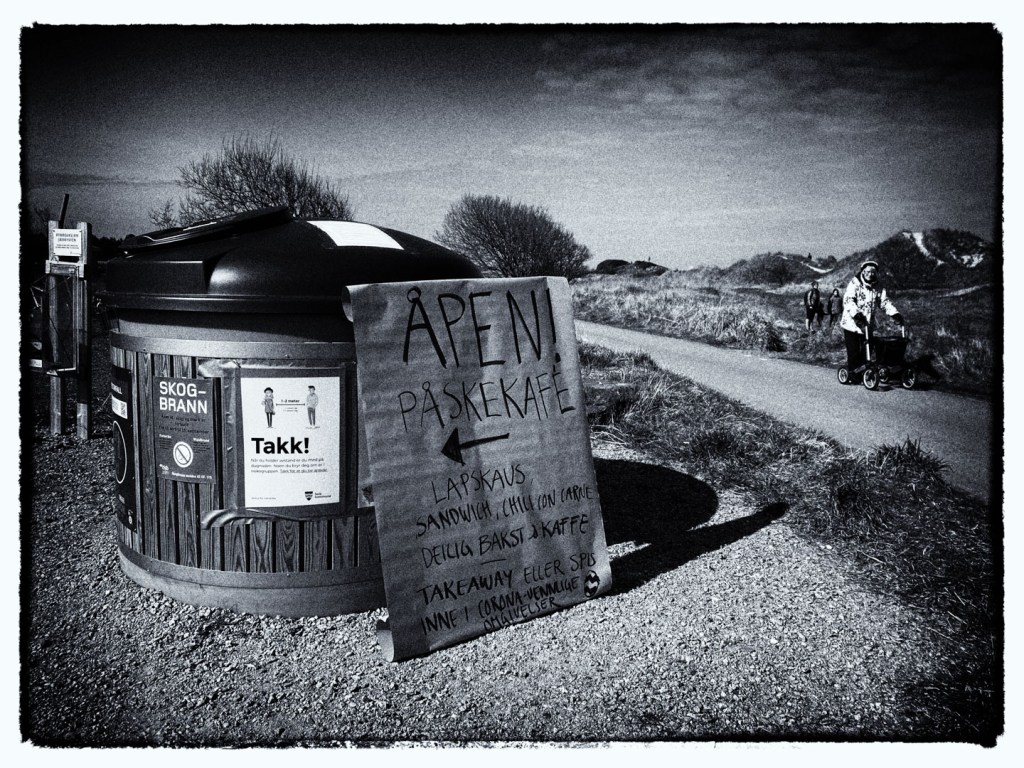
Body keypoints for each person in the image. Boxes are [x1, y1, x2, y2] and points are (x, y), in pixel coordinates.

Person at [840, 261, 903, 375]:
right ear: (863, 271)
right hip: (852, 323)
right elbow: (848, 300)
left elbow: (884, 302)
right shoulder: (855, 283)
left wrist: (895, 313)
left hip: (867, 324)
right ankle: (853, 373)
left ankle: (864, 372)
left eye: (873, 272)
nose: (870, 274)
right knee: (854, 351)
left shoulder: (878, 286)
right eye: (868, 271)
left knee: (867, 349)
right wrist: (856, 314)